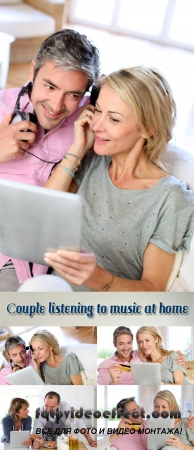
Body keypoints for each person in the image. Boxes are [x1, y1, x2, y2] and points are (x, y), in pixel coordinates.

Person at [43, 66, 194, 292]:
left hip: (101, 314)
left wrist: (98, 277)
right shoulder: (91, 160)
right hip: (49, 290)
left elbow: (153, 289)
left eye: (113, 119)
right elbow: (44, 211)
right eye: (98, 111)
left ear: (148, 128)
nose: (96, 125)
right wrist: (77, 149)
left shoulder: (171, 198)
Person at [0, 28, 100, 291]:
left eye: (73, 94)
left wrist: (78, 149)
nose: (56, 106)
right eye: (50, 86)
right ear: (33, 72)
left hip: (18, 263)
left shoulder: (90, 124)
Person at [97, 326, 185, 385]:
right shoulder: (105, 365)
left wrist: (179, 356)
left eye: (129, 343)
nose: (126, 347)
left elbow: (163, 356)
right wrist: (113, 382)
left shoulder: (141, 356)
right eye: (121, 344)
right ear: (114, 344)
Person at [32, 390, 97, 447]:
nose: (48, 409)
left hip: (63, 437)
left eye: (52, 407)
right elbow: (36, 432)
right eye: (46, 405)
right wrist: (36, 442)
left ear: (58, 405)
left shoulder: (65, 406)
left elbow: (78, 421)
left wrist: (90, 440)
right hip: (47, 438)